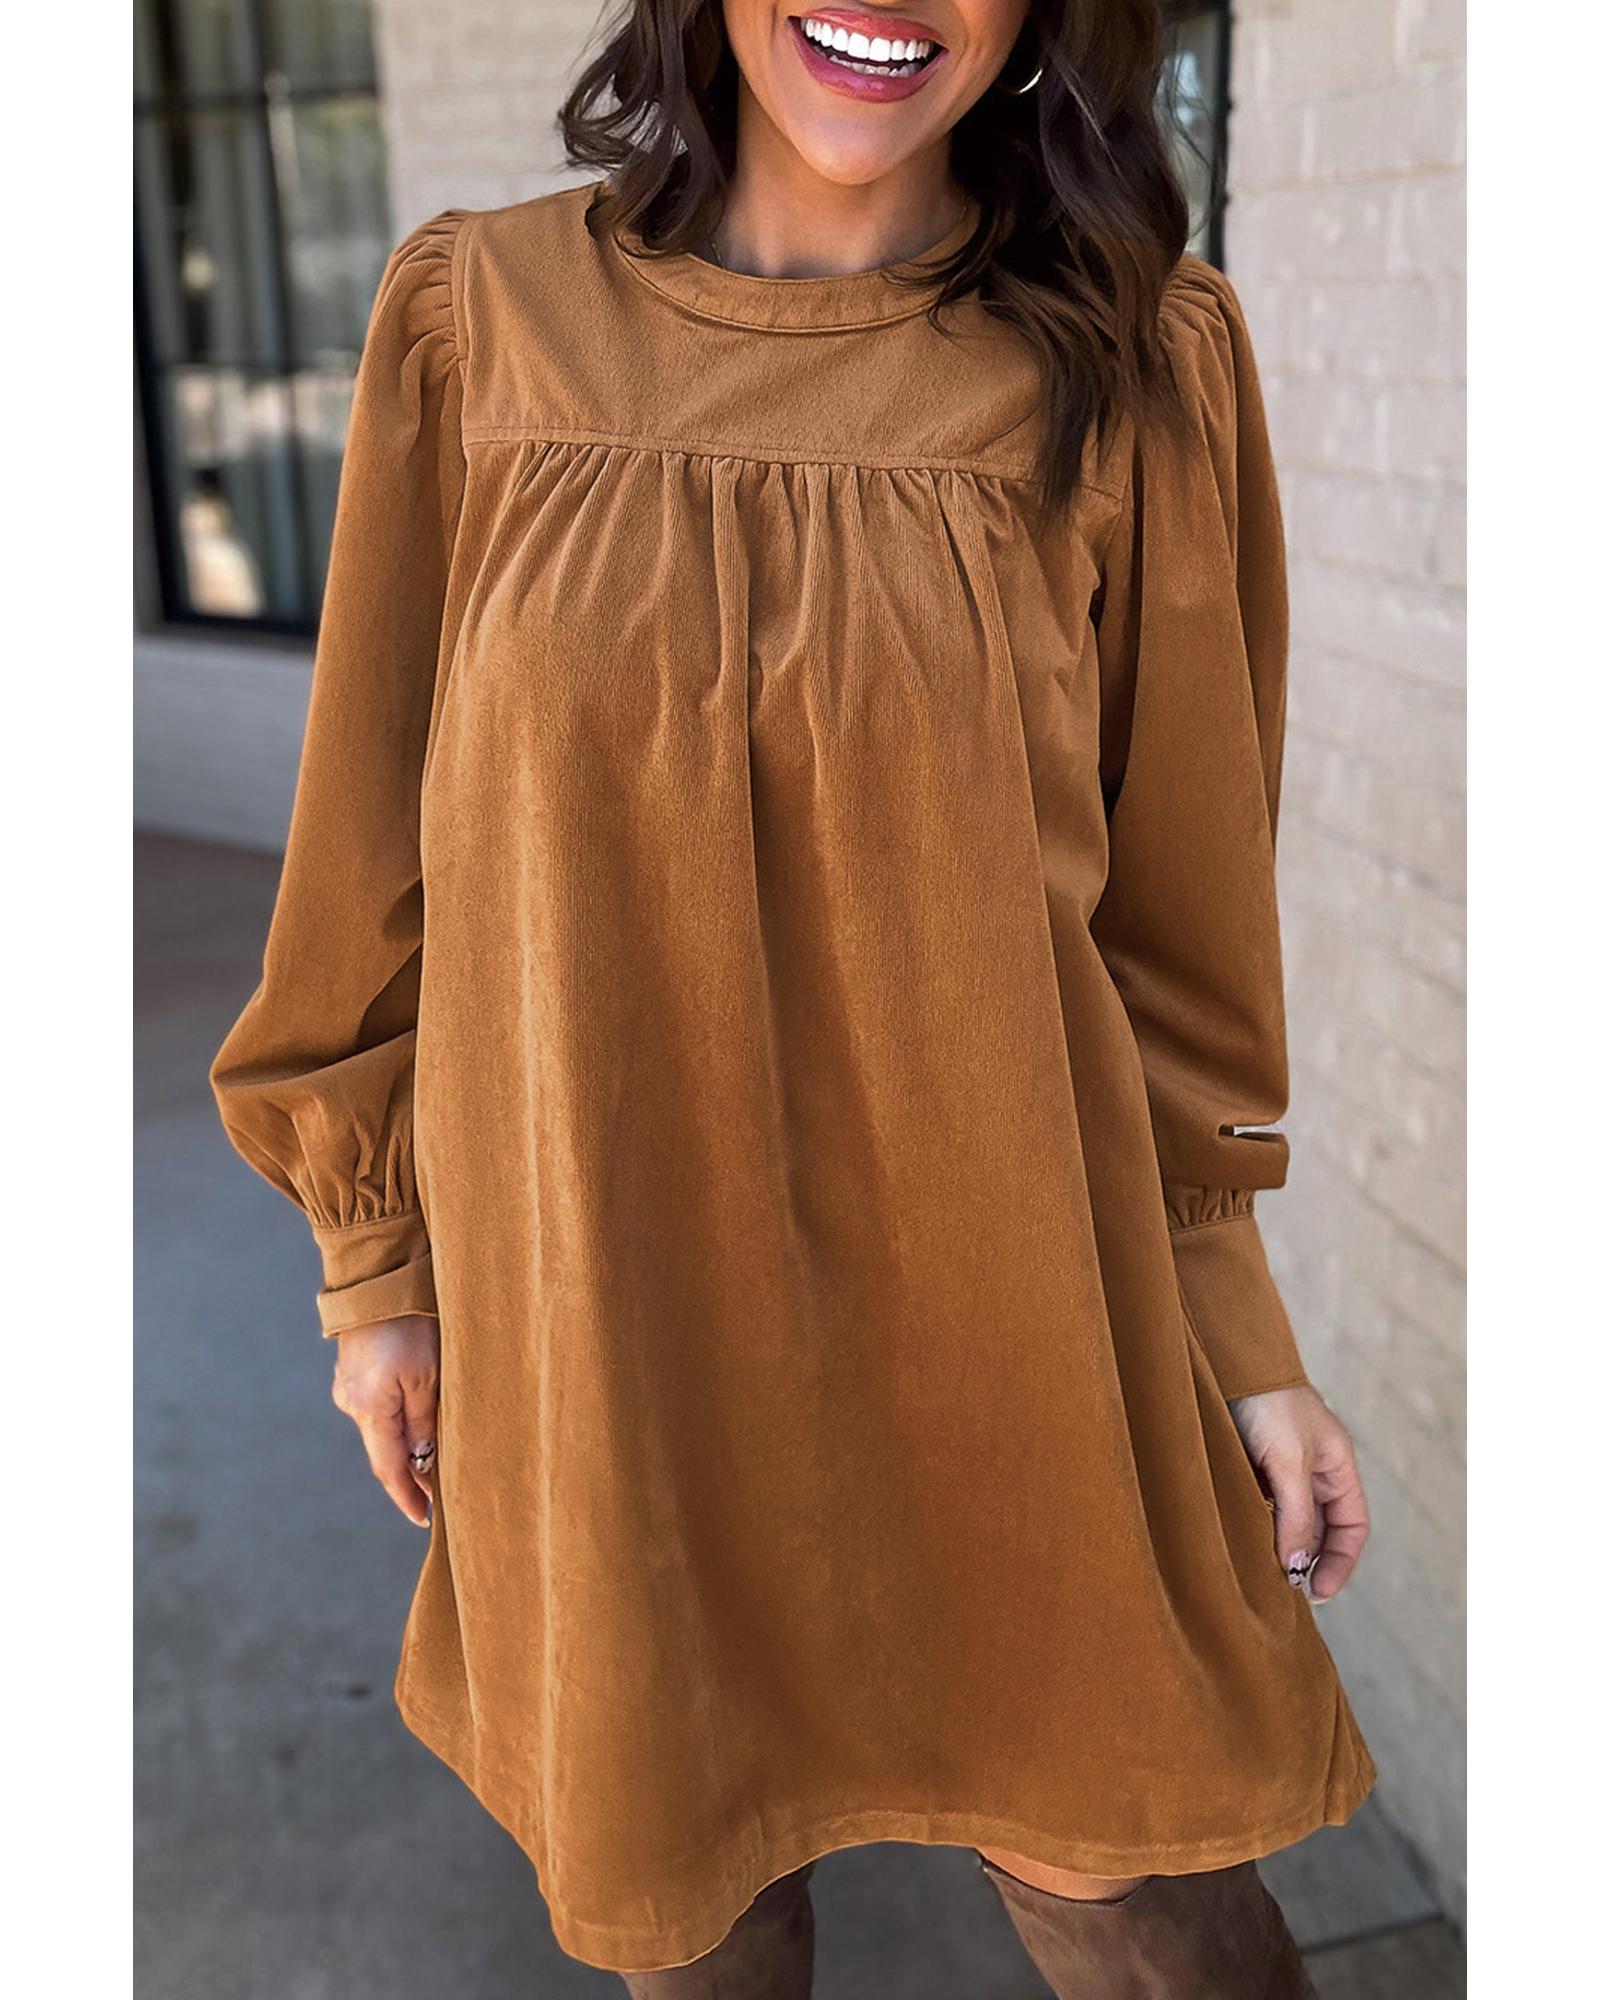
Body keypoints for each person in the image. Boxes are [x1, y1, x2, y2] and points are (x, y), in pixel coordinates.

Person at [209, 3, 1378, 1993]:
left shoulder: (1133, 356)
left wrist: (1235, 1328)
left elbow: (1184, 934)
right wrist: (374, 1259)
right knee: (696, 1892)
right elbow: (366, 853)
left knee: (1132, 1885)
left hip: (1014, 1307)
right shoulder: (475, 324)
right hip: (610, 1310)